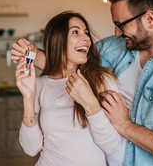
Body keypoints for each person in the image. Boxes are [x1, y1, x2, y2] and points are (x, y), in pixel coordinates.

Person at [11, 0, 153, 166]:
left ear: (150, 19)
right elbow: (69, 60)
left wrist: (125, 125)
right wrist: (32, 54)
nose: (117, 32)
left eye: (121, 24)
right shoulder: (117, 47)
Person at [15, 10, 122, 166]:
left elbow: (112, 145)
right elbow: (31, 149)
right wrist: (28, 97)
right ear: (58, 40)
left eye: (86, 33)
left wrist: (91, 104)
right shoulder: (40, 84)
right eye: (76, 32)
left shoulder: (103, 81)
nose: (86, 38)